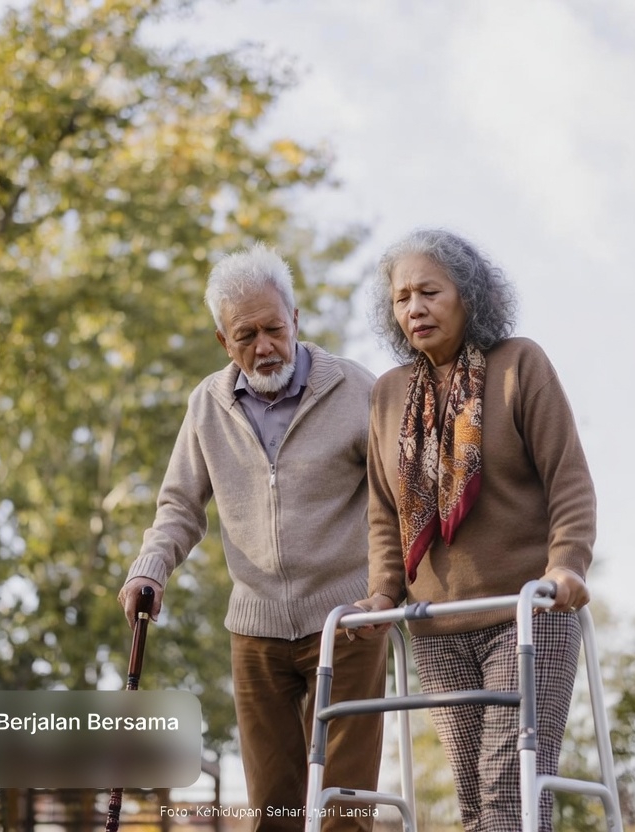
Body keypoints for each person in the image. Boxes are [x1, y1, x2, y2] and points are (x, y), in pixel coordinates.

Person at [118, 243, 387, 832]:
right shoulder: (207, 406)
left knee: (343, 810)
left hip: (348, 621)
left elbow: (396, 500)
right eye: (246, 336)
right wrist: (149, 567)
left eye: (273, 328)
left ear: (296, 319)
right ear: (224, 341)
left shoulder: (355, 390)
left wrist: (386, 593)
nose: (264, 347)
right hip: (256, 627)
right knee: (274, 812)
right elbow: (179, 504)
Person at [354, 228, 596, 832]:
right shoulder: (388, 394)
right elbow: (384, 512)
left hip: (528, 614)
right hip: (436, 627)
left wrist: (567, 564)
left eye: (429, 292)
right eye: (402, 298)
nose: (414, 308)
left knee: (509, 787)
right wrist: (382, 594)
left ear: (469, 295)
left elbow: (568, 479)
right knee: (474, 797)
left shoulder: (520, 365)